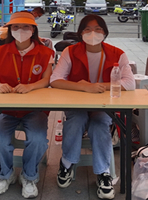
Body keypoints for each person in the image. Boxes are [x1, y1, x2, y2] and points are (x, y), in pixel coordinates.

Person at [50, 14, 135, 199]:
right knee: (76, 120)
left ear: (105, 32)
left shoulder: (117, 53)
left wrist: (100, 86)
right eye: (87, 29)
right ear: (81, 33)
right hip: (76, 104)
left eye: (98, 29)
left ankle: (103, 172)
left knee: (100, 123)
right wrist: (83, 87)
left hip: (103, 105)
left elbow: (129, 83)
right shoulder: (70, 52)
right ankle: (66, 164)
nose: (93, 33)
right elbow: (55, 80)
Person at [0, 11, 54, 199]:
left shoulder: (46, 53)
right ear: (9, 30)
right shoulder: (0, 52)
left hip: (35, 109)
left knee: (38, 140)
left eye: (25, 27)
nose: (20, 30)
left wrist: (31, 86)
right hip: (6, 109)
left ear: (33, 30)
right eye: (15, 27)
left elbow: (46, 80)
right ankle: (5, 175)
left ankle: (29, 176)